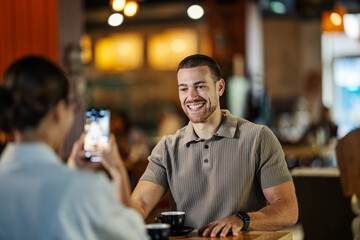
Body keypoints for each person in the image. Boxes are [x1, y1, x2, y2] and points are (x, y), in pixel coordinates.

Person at [131, 54, 298, 237]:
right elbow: (140, 203)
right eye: (183, 89)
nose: (191, 96)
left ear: (220, 87)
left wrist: (241, 220)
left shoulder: (258, 138)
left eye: (200, 86)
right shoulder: (167, 148)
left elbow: (288, 210)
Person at [0, 56, 148, 240]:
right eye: (74, 105)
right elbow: (135, 236)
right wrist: (118, 170)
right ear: (58, 111)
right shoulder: (83, 189)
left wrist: (71, 170)